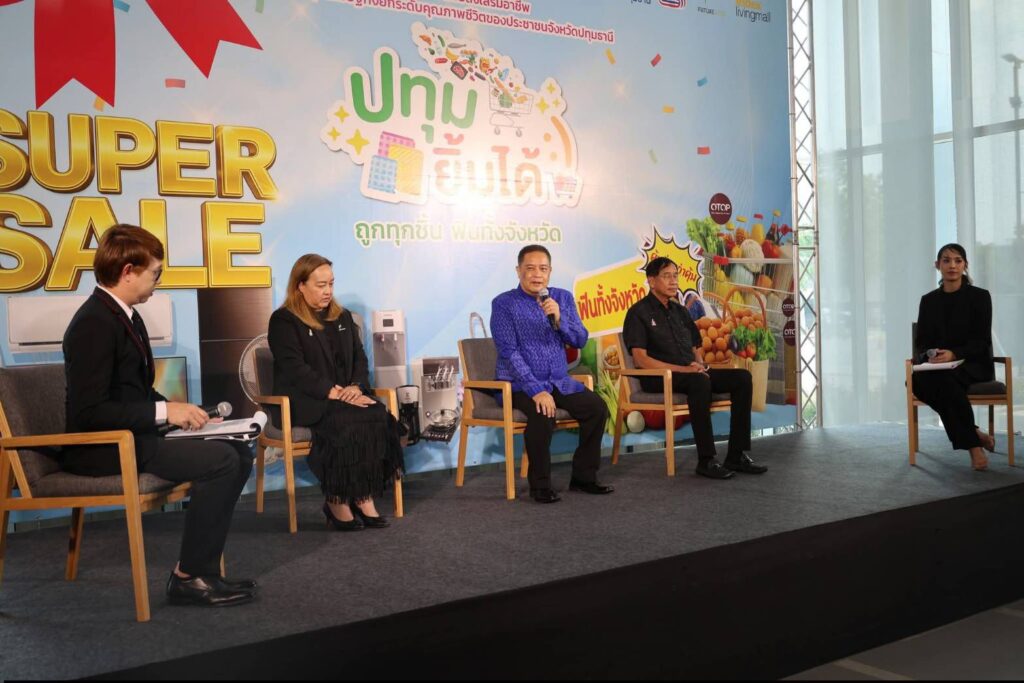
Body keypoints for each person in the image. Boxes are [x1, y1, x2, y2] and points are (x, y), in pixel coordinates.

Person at [63, 224, 255, 607]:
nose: (158, 281)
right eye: (155, 273)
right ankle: (189, 577)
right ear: (128, 271)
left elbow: (136, 392)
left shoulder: (125, 316)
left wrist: (187, 416)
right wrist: (166, 411)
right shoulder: (92, 324)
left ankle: (202, 570)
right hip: (103, 448)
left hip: (133, 437)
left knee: (238, 451)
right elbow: (90, 412)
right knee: (221, 460)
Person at [267, 254, 404, 530]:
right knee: (344, 420)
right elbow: (294, 369)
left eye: (331, 283)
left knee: (377, 413)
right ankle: (337, 500)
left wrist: (356, 387)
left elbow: (359, 358)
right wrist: (331, 391)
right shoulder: (284, 320)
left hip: (344, 396)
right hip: (304, 400)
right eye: (320, 285)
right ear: (300, 286)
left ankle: (363, 496)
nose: (328, 290)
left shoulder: (342, 316)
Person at [622, 257, 766, 480]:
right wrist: (684, 371)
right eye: (666, 276)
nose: (673, 281)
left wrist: (698, 363)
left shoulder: (680, 311)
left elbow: (695, 345)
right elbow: (641, 360)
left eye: (675, 276)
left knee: (742, 378)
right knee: (700, 382)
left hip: (689, 373)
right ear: (651, 281)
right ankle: (706, 460)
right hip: (658, 377)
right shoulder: (638, 313)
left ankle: (735, 455)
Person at [490, 245, 613, 503]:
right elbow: (509, 353)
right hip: (518, 384)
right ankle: (540, 486)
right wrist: (536, 390)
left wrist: (559, 318)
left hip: (559, 381)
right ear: (518, 271)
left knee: (597, 408)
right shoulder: (503, 304)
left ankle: (583, 478)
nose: (537, 274)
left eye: (543, 269)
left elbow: (580, 339)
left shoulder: (562, 298)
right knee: (542, 412)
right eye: (530, 268)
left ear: (550, 271)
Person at [912, 243, 996, 471]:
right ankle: (974, 434)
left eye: (958, 261)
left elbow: (982, 341)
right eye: (946, 260)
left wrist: (955, 353)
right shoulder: (928, 300)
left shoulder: (980, 297)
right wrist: (932, 353)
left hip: (973, 363)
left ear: (965, 265)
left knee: (944, 383)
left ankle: (974, 447)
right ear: (937, 265)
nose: (952, 265)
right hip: (940, 365)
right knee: (916, 381)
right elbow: (922, 342)